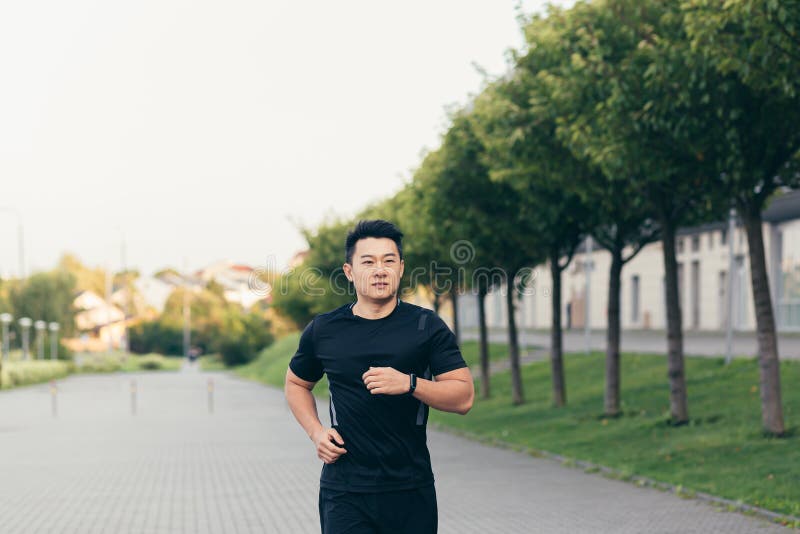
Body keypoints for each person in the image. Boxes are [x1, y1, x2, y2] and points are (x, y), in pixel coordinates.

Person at [284, 219, 474, 534]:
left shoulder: (426, 326)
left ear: (400, 268)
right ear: (349, 272)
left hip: (409, 488)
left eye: (388, 261)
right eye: (368, 262)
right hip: (345, 489)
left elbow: (464, 397)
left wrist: (410, 384)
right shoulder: (325, 329)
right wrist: (316, 432)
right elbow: (296, 383)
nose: (380, 270)